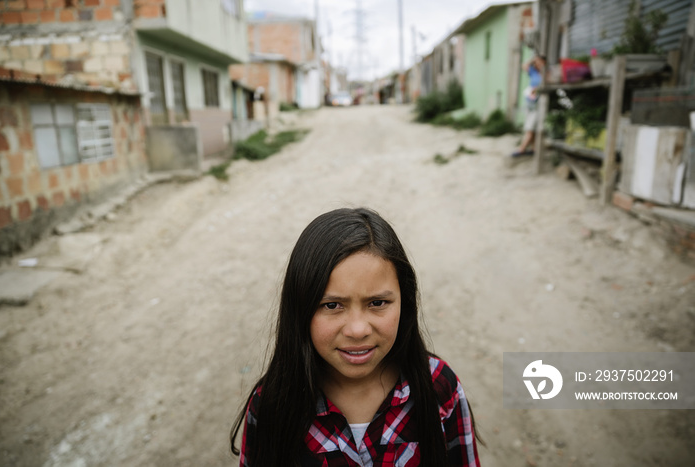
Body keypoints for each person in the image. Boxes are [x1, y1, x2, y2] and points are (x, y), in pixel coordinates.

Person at [230, 207, 481, 466]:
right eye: (332, 305)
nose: (358, 330)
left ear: (404, 303)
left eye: (377, 302)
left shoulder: (438, 387)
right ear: (300, 309)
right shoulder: (273, 403)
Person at [512, 54, 546, 157]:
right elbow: (524, 66)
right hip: (530, 102)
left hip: (539, 104)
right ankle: (533, 149)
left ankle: (521, 150)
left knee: (530, 128)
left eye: (540, 62)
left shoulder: (545, 74)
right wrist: (533, 60)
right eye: (537, 62)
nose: (538, 64)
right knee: (530, 126)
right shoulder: (534, 72)